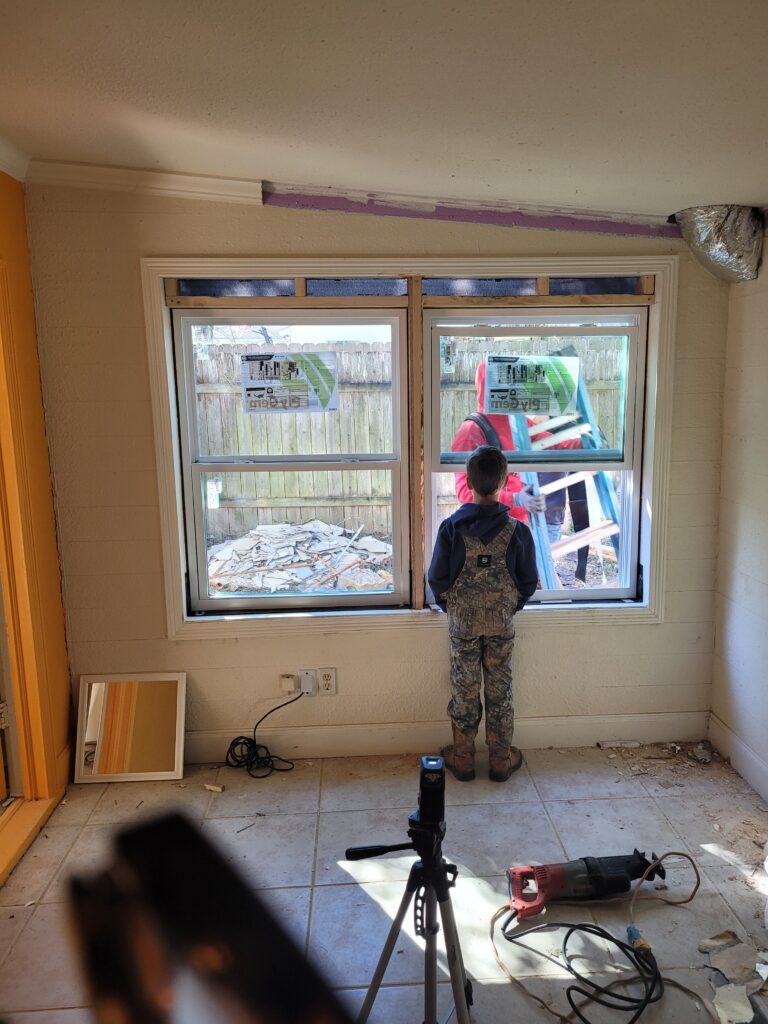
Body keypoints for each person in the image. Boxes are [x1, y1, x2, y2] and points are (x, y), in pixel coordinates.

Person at [428, 445, 538, 783]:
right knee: (499, 689)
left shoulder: (450, 529)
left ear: (468, 481)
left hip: (463, 626)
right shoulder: (517, 531)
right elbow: (528, 581)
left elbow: (437, 579)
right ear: (505, 480)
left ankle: (462, 760)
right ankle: (500, 760)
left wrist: (455, 609)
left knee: (464, 688)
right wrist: (508, 606)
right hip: (501, 625)